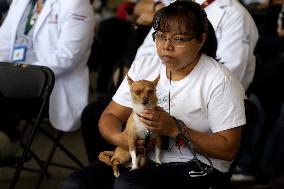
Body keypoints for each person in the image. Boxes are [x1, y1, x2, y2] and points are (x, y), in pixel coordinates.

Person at [62, 1, 246, 188]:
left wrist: (176, 129)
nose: (167, 46)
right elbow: (111, 115)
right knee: (77, 183)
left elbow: (228, 148)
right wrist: (123, 140)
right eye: (160, 36)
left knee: (129, 185)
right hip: (146, 157)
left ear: (201, 40)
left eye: (179, 39)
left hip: (199, 165)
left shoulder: (220, 80)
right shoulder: (145, 66)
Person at [0, 0, 95, 132]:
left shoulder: (76, 4)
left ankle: (8, 134)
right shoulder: (20, 2)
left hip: (47, 88)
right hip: (11, 76)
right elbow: (3, 43)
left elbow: (66, 57)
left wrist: (18, 75)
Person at [134, 0, 259, 91]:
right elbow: (143, 58)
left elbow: (229, 80)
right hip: (151, 94)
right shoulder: (177, 8)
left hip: (201, 108)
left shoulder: (235, 15)